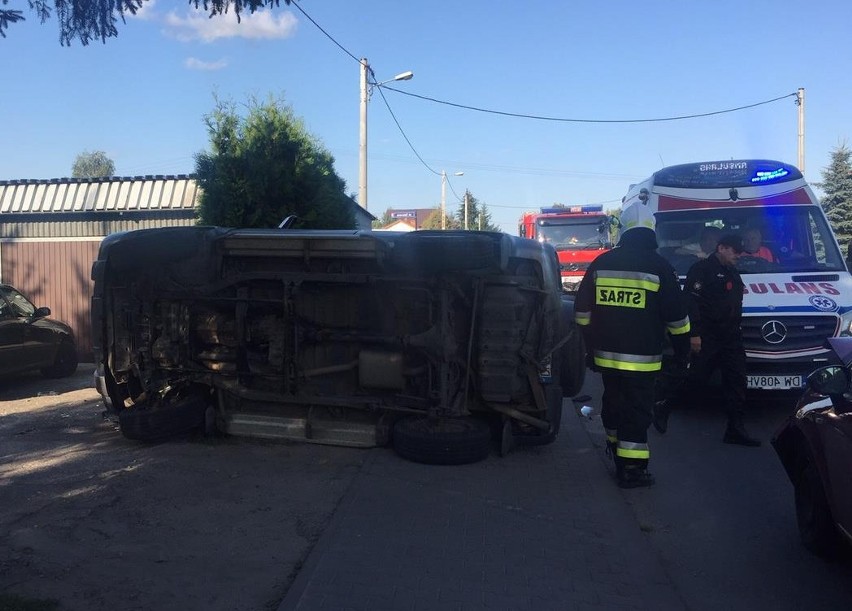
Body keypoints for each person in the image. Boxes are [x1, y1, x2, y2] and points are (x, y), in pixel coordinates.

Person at [575, 202, 691, 488]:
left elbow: (581, 313)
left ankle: (615, 447)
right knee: (637, 411)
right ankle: (632, 470)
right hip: (643, 359)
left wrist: (590, 347)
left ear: (623, 230)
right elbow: (678, 319)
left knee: (614, 400)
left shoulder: (601, 263)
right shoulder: (660, 267)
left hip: (606, 356)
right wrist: (683, 353)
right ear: (651, 231)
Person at [683, 234, 761, 447]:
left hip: (731, 337)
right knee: (696, 378)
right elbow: (691, 303)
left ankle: (735, 429)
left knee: (737, 381)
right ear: (721, 248)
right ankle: (664, 403)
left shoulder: (732, 272)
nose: (738, 255)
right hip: (708, 336)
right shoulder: (701, 270)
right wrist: (694, 333)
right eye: (735, 251)